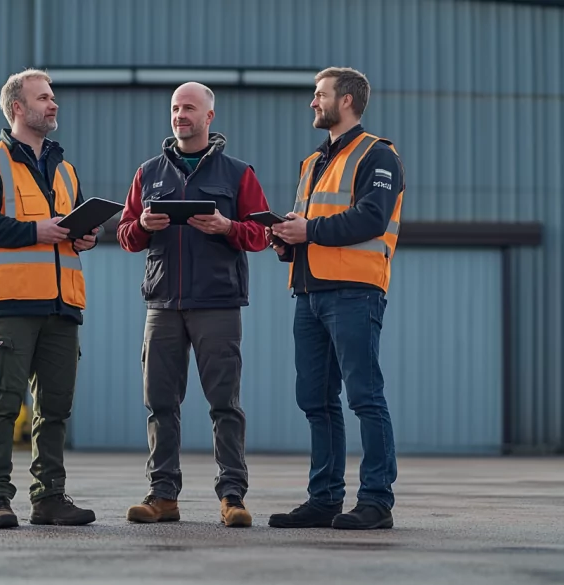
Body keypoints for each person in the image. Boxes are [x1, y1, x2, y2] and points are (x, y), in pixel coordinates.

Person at [116, 82, 271, 528]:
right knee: (160, 403)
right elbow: (125, 235)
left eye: (188, 108)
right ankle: (162, 496)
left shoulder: (238, 174)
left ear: (209, 117)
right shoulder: (148, 173)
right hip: (163, 304)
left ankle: (232, 497)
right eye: (174, 108)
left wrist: (227, 227)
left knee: (225, 404)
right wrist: (143, 226)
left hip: (217, 303)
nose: (179, 115)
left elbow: (262, 234)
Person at [267, 67, 405, 531]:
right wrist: (287, 241)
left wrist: (308, 231)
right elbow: (310, 226)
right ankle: (324, 499)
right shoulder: (313, 163)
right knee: (315, 399)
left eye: (320, 94)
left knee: (365, 396)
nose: (313, 101)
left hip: (354, 293)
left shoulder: (378, 155)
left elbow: (371, 217)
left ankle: (376, 501)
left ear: (346, 100)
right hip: (309, 292)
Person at [0, 68, 99, 529]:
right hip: (11, 302)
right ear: (18, 107)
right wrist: (36, 231)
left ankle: (50, 498)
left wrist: (84, 237)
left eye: (52, 96)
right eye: (43, 97)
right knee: (3, 402)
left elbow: (70, 225)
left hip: (62, 304)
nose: (53, 103)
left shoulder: (65, 169)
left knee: (55, 407)